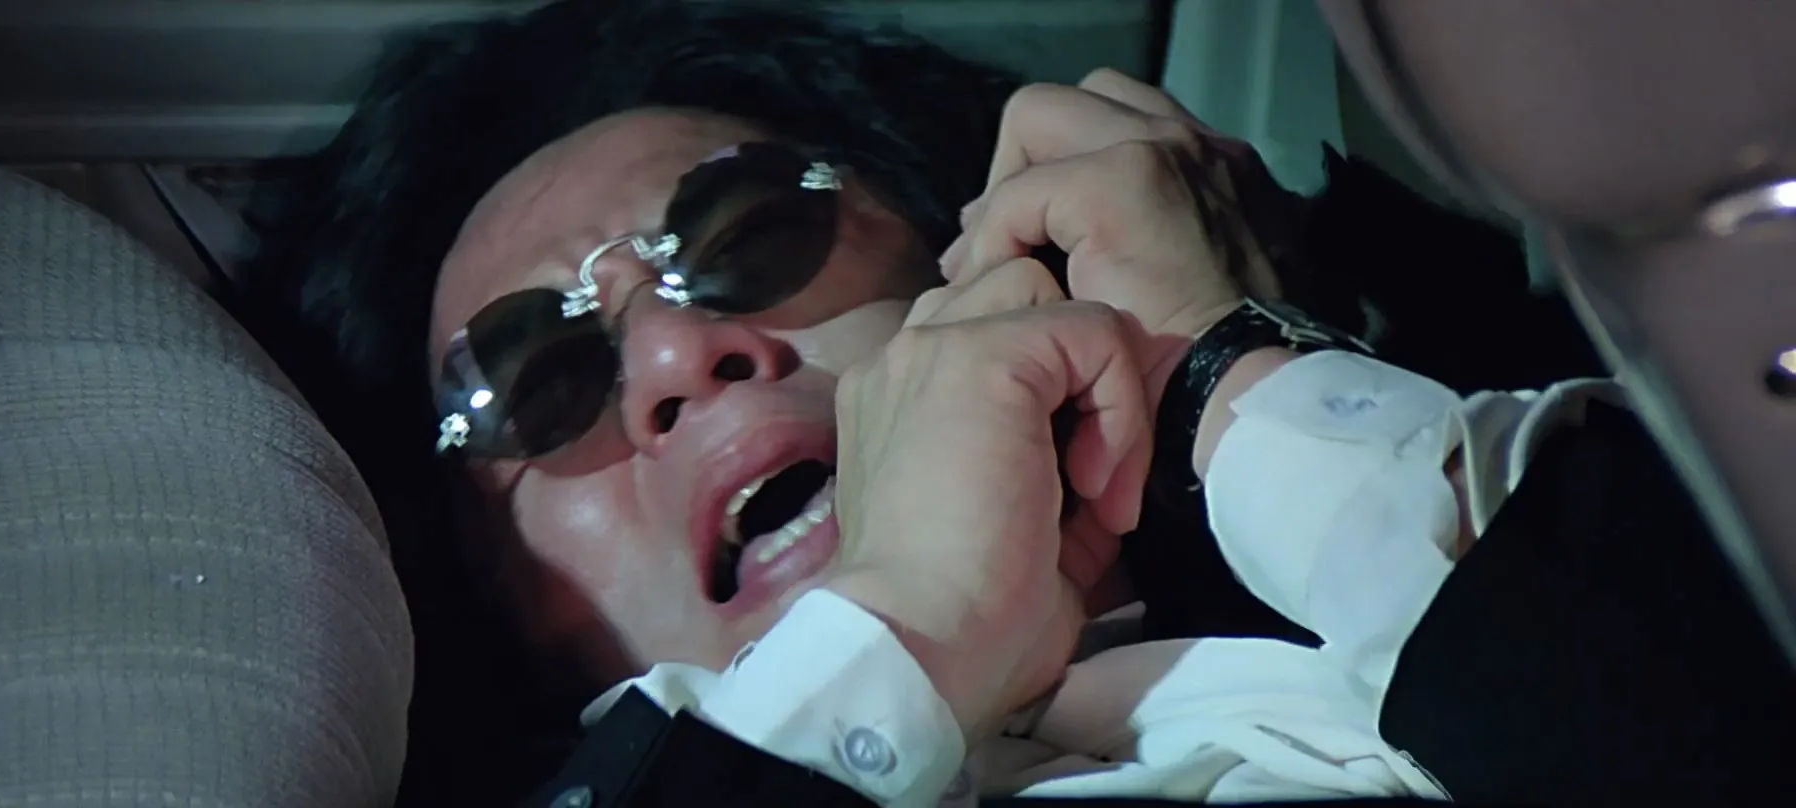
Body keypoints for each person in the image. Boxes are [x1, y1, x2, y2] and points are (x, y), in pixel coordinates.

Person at [233, 1, 1667, 804]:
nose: (676, 357)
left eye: (745, 232)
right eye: (535, 385)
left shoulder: (1562, 477)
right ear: (498, 613)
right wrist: (910, 620)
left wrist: (1222, 373)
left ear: (972, 241)